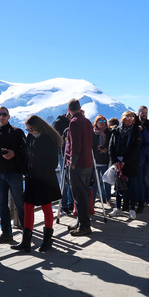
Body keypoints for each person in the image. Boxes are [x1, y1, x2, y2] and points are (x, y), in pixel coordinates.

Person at [11, 115, 62, 252]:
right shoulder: (31, 138)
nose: (29, 132)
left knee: (46, 207)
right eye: (27, 129)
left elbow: (53, 162)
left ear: (38, 126)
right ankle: (26, 240)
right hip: (32, 177)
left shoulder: (49, 139)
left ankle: (47, 240)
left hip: (44, 178)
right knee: (28, 206)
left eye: (31, 129)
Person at [0, 106, 26, 244]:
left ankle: (27, 232)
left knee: (20, 203)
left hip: (15, 173)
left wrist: (14, 153)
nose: (2, 116)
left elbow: (27, 149)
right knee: (2, 205)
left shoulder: (17, 132)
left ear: (9, 116)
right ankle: (6, 233)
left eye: (4, 114)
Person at [65, 99, 94, 236]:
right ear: (80, 108)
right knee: (83, 193)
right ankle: (81, 222)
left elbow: (75, 143)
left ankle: (84, 226)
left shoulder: (74, 122)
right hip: (88, 162)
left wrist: (73, 161)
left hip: (78, 163)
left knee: (79, 195)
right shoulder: (87, 121)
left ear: (69, 110)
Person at [108, 111, 142, 219]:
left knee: (132, 186)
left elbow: (135, 149)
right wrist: (115, 161)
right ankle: (118, 208)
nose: (130, 119)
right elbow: (111, 147)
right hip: (117, 162)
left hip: (130, 162)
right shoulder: (116, 131)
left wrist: (124, 162)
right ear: (123, 118)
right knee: (118, 186)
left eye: (132, 117)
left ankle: (132, 209)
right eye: (128, 116)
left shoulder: (136, 131)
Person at [92, 115, 112, 207]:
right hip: (95, 160)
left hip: (105, 160)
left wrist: (106, 150)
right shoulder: (92, 133)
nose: (103, 123)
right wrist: (97, 149)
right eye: (100, 121)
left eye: (104, 121)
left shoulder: (109, 132)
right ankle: (92, 200)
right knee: (95, 182)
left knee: (106, 181)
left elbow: (112, 143)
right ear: (96, 122)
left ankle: (107, 198)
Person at [134, 115, 149, 213]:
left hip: (142, 159)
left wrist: (139, 152)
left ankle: (144, 200)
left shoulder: (143, 130)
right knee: (135, 180)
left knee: (143, 179)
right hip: (131, 160)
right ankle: (134, 200)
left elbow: (148, 144)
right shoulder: (125, 130)